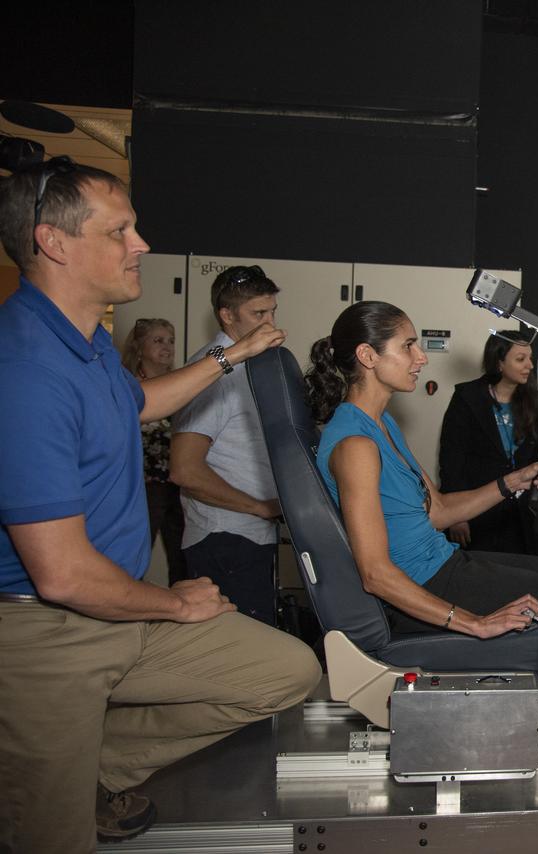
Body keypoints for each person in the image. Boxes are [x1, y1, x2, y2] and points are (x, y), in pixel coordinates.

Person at [0, 157, 320, 853]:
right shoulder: (24, 367)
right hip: (50, 632)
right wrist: (175, 604)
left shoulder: (84, 345)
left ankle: (90, 766)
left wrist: (231, 356)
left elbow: (140, 402)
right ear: (54, 242)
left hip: (124, 605)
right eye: (120, 231)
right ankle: (51, 778)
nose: (140, 244)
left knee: (287, 671)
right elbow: (60, 575)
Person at [304, 301, 538, 657]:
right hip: (428, 585)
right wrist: (474, 623)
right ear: (368, 356)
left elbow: (438, 510)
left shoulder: (381, 424)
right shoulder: (355, 445)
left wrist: (515, 480)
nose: (421, 358)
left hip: (445, 563)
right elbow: (375, 574)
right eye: (408, 346)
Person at [170, 265, 283, 626]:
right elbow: (185, 469)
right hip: (225, 539)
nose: (269, 322)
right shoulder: (213, 372)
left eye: (272, 311)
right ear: (227, 315)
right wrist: (258, 506)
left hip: (250, 536)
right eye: (258, 314)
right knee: (244, 654)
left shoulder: (249, 366)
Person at [439, 329, 538, 554]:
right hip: (476, 512)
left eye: (530, 358)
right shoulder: (467, 398)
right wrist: (456, 516)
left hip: (519, 518)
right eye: (520, 359)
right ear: (499, 363)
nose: (529, 365)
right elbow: (451, 460)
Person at [121, 317, 187, 585]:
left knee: (182, 556)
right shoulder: (127, 384)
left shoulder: (181, 384)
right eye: (158, 340)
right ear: (139, 345)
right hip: (141, 485)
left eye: (170, 341)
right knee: (135, 551)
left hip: (178, 483)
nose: (167, 347)